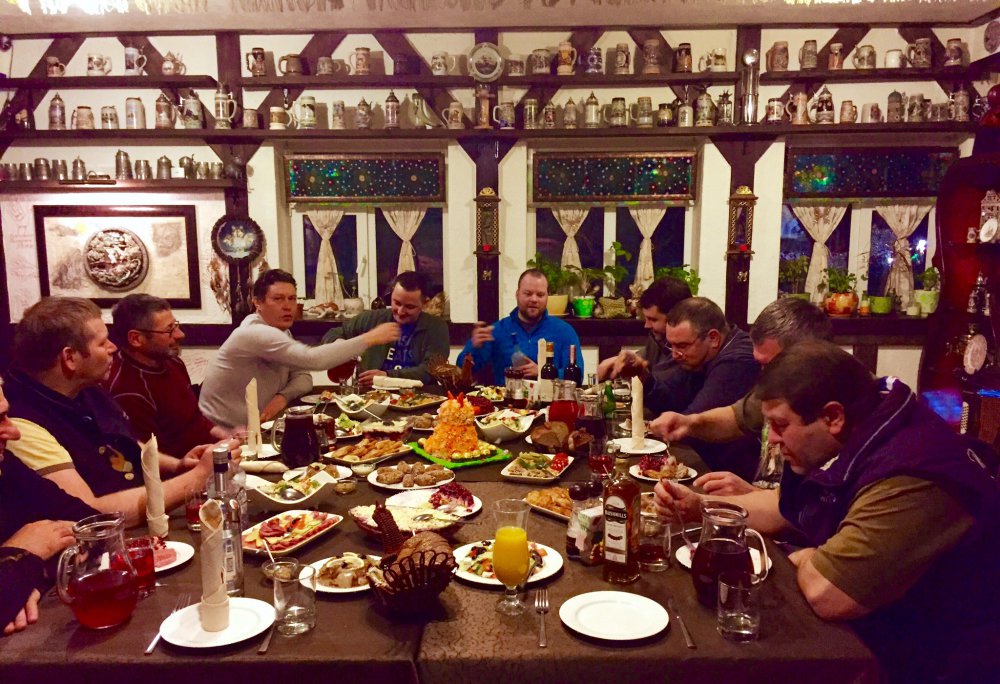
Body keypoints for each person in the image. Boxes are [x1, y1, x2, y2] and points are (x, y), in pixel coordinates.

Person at [654, 341, 1000, 684]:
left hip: (938, 664)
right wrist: (700, 507)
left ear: (833, 417)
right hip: (890, 638)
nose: (771, 440)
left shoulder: (910, 473)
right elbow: (784, 507)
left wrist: (810, 556)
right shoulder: (859, 430)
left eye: (780, 426)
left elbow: (829, 594)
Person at [4, 297, 217, 528]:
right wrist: (197, 478)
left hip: (145, 520)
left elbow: (126, 444)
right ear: (70, 358)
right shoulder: (19, 422)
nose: (113, 347)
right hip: (106, 538)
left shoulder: (86, 388)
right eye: (102, 342)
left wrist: (178, 466)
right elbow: (87, 514)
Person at [650, 297, 832, 493]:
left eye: (770, 365)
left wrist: (750, 494)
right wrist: (688, 423)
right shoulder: (781, 385)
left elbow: (815, 506)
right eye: (760, 364)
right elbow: (736, 418)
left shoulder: (839, 408)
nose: (763, 374)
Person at [199, 269, 401, 427]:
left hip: (256, 429)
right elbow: (313, 360)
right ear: (257, 303)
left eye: (292, 298)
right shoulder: (254, 333)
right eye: (278, 299)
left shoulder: (282, 332)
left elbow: (303, 377)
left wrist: (282, 397)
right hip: (219, 435)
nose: (288, 306)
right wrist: (370, 338)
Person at [0, 377, 98, 636]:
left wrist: (29, 572)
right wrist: (20, 555)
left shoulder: (6, 467)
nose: (14, 432)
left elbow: (91, 524)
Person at [643, 297, 761, 478]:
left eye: (681, 346)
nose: (674, 355)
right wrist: (643, 378)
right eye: (671, 345)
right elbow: (672, 401)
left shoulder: (737, 361)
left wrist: (674, 423)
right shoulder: (697, 355)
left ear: (713, 338)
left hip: (739, 476)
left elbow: (689, 427)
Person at [103, 294, 232, 457]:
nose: (180, 334)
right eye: (169, 330)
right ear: (136, 339)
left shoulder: (172, 362)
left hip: (210, 454)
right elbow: (150, 459)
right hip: (187, 467)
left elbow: (195, 419)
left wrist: (228, 436)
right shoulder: (127, 389)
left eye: (176, 325)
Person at [321, 271, 449, 387]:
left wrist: (387, 377)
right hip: (369, 395)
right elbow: (332, 334)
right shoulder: (372, 318)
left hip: (420, 396)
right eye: (397, 303)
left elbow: (431, 371)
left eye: (409, 307)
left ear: (424, 303)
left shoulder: (436, 327)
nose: (400, 311)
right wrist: (342, 345)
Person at [458, 268, 583, 385]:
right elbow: (461, 371)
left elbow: (577, 376)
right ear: (517, 294)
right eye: (528, 294)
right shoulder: (497, 331)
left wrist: (543, 372)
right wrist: (473, 347)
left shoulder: (564, 332)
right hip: (505, 399)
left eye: (540, 295)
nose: (534, 299)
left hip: (549, 400)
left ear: (547, 297)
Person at [595, 275, 692, 383]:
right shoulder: (658, 337)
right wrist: (622, 360)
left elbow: (663, 385)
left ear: (677, 317)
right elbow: (645, 357)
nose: (647, 325)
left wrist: (640, 369)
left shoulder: (688, 353)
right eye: (646, 318)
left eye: (653, 319)